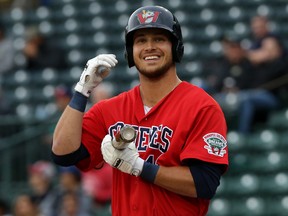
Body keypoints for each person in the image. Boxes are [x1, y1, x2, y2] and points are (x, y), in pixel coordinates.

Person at [52, 5, 229, 216]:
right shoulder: (111, 108)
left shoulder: (202, 106)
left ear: (176, 47)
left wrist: (139, 166)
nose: (149, 47)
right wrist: (82, 91)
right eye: (141, 40)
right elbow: (63, 153)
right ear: (130, 51)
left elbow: (204, 183)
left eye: (159, 39)